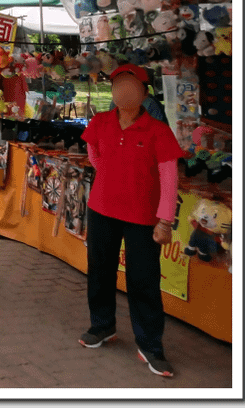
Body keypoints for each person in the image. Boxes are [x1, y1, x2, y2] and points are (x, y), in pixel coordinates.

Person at [79, 64, 183, 378]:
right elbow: (93, 151)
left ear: (144, 92)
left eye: (131, 85)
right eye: (118, 85)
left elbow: (169, 177)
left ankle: (151, 346)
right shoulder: (100, 122)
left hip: (142, 217)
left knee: (144, 281)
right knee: (100, 270)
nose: (123, 91)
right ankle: (102, 326)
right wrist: (108, 176)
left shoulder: (158, 131)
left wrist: (165, 220)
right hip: (101, 209)